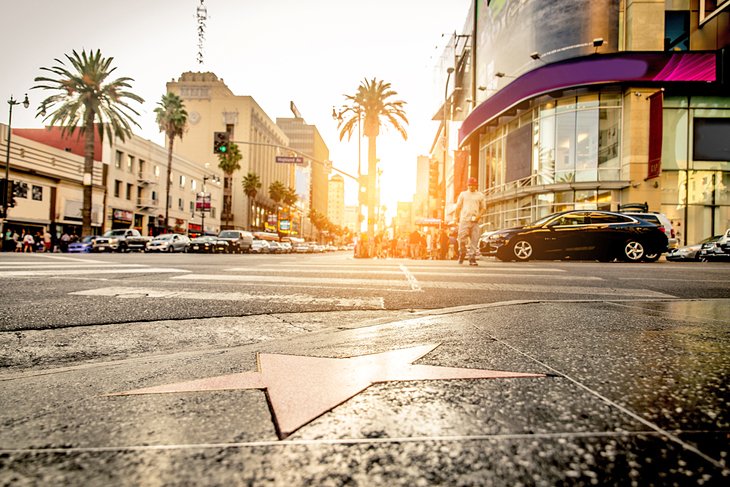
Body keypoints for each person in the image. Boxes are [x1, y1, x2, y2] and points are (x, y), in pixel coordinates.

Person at [454, 177, 487, 266]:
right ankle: (462, 252)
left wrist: (478, 216)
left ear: (476, 186)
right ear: (467, 185)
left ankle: (472, 258)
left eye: (473, 185)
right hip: (464, 220)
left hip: (475, 221)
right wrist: (456, 218)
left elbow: (484, 208)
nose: (471, 187)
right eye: (470, 185)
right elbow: (458, 207)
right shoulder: (463, 194)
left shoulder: (480, 195)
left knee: (474, 240)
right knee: (461, 239)